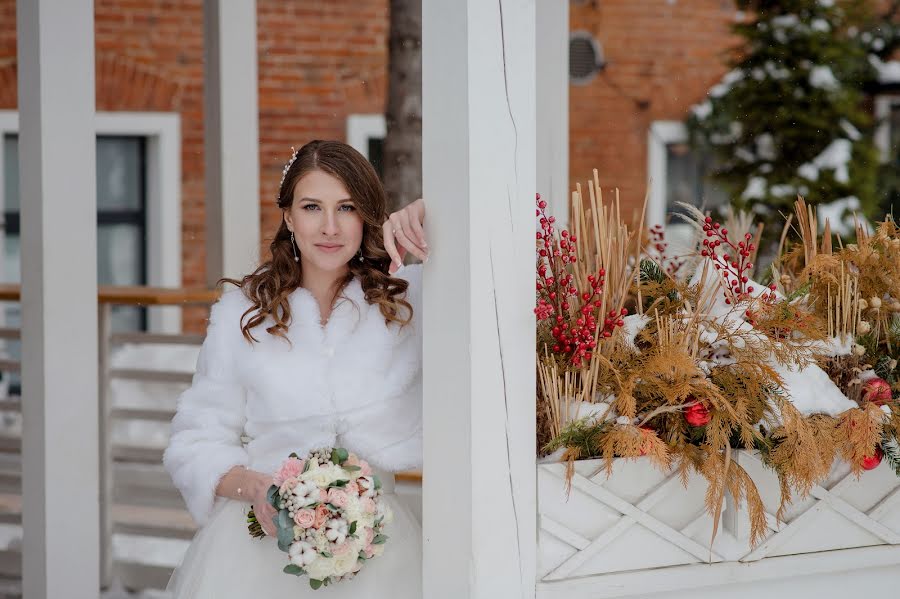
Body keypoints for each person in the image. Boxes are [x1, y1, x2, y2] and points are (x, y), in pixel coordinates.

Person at [163, 139, 428, 597]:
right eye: (312, 207)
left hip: (384, 554)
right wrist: (256, 488)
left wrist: (432, 214)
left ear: (366, 215)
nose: (330, 227)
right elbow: (196, 440)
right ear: (288, 216)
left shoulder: (406, 302)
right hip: (257, 555)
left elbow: (526, 252)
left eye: (346, 207)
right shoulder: (241, 314)